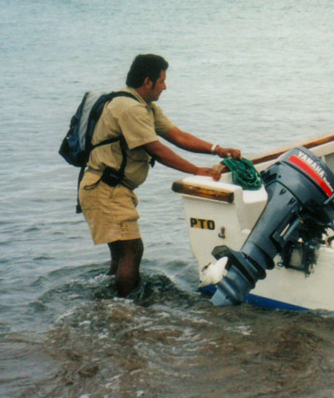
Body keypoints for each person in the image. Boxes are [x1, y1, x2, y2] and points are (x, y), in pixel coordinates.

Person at [78, 54, 242, 297]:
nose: (165, 86)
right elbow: (156, 149)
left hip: (108, 188)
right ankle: (128, 309)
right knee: (132, 250)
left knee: (122, 253)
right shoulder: (129, 108)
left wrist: (216, 149)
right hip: (105, 190)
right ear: (148, 81)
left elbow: (177, 136)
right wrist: (197, 170)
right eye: (162, 81)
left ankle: (114, 304)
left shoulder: (146, 108)